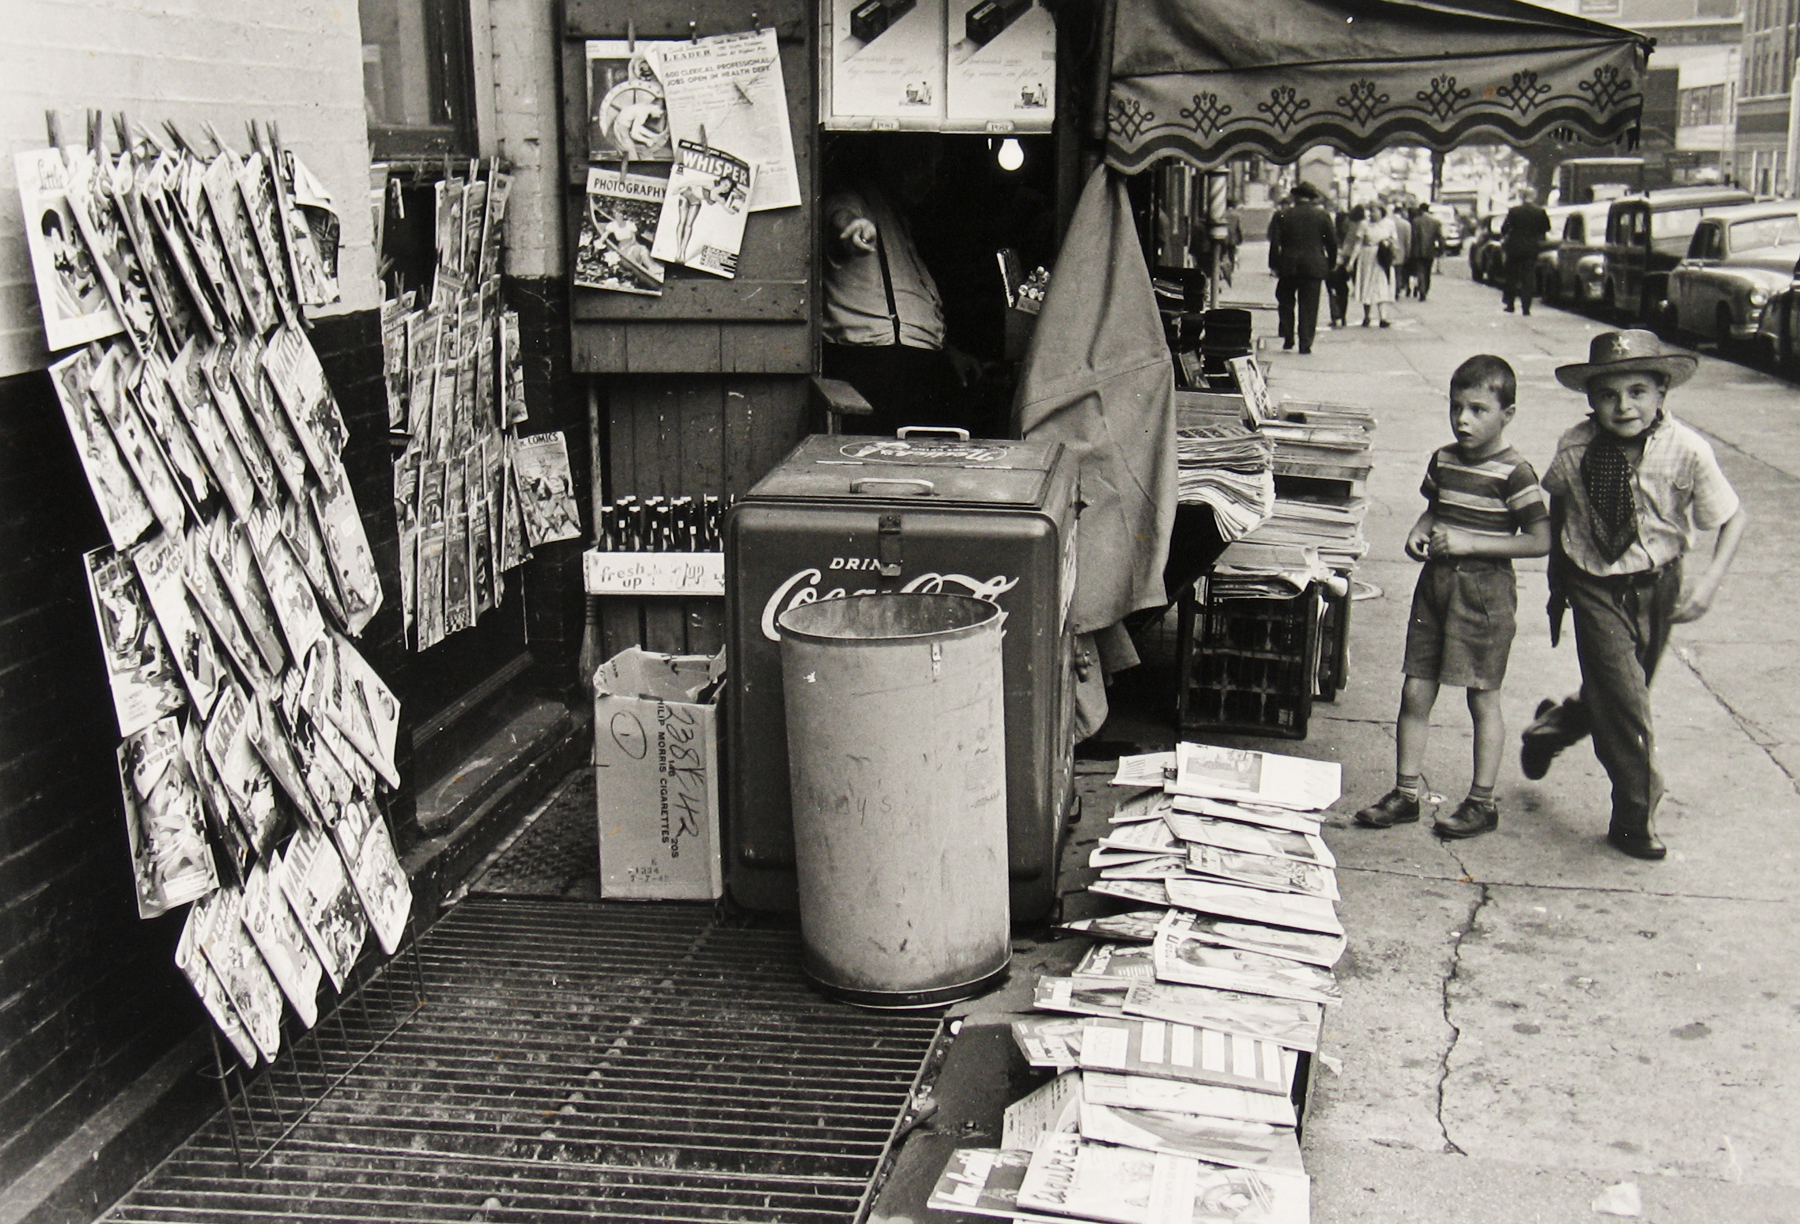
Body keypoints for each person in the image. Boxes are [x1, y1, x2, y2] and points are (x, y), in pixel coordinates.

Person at [1518, 331, 1748, 860]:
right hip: (1594, 583)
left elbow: (1732, 518)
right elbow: (1559, 506)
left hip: (1658, 584)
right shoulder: (1575, 447)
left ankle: (1552, 728)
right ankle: (1634, 816)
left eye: (1639, 391)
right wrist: (1559, 580)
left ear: (1662, 392)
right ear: (1590, 399)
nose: (1624, 406)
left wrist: (1707, 587)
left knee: (1620, 692)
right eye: (1609, 395)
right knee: (1627, 705)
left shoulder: (1687, 449)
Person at [1356, 355, 1552, 838]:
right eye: (1456, 407)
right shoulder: (1443, 459)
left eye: (1479, 410)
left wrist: (1471, 543)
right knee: (1415, 689)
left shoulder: (1515, 473)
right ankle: (1405, 794)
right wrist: (1419, 530)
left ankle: (1482, 802)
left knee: (1482, 696)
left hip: (1484, 593)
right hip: (1436, 588)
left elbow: (1540, 540)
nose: (1463, 420)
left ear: (1507, 414)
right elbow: (1434, 509)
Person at [822, 135, 979, 434]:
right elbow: (841, 217)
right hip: (875, 364)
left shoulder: (895, 216)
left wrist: (946, 351)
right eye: (920, 164)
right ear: (888, 160)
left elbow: (909, 303)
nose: (930, 178)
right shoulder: (855, 199)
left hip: (910, 363)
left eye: (934, 167)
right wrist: (853, 228)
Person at [1266, 182, 1337, 355]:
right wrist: (1330, 264)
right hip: (1313, 267)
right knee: (1309, 305)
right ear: (1312, 198)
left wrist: (1274, 264)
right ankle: (1305, 342)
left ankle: (1288, 337)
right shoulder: (1322, 216)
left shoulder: (1282, 215)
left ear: (1295, 197)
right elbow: (1332, 243)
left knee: (1285, 301)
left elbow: (1275, 243)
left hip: (1288, 265)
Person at [1499, 188, 1551, 315]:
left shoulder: (1514, 211)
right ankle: (1526, 307)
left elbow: (1504, 228)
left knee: (1512, 277)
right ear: (1534, 196)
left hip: (1515, 248)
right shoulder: (1540, 211)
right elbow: (1546, 228)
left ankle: (1510, 304)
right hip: (1531, 249)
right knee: (1528, 278)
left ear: (1522, 197)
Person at [1348, 202, 1397, 327]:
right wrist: (1352, 261)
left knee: (1382, 284)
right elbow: (1358, 243)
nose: (1372, 214)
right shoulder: (1364, 225)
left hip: (1382, 257)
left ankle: (1383, 317)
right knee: (1367, 285)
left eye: (1375, 211)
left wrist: (1389, 246)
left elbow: (1394, 241)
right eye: (1370, 211)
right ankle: (1367, 316)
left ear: (1382, 212)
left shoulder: (1389, 224)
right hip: (1368, 256)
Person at [1327, 205, 1356, 328]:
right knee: (1343, 291)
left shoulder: (1332, 234)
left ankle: (1335, 315)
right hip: (1344, 265)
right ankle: (1342, 316)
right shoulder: (1348, 234)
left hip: (1332, 265)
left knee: (1333, 291)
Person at [1410, 203, 1444, 302]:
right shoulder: (1435, 222)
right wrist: (1440, 250)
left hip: (1417, 251)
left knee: (1420, 271)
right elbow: (1440, 238)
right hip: (1430, 251)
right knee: (1427, 272)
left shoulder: (1416, 222)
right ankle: (1425, 289)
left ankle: (1422, 291)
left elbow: (1413, 238)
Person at [1390, 204, 1414, 298]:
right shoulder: (1406, 224)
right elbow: (1408, 240)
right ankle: (1397, 289)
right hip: (1401, 251)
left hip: (1389, 250)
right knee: (1398, 272)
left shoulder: (1389, 222)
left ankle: (1391, 289)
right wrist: (1408, 253)